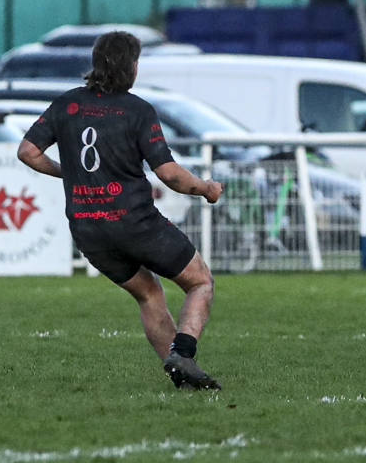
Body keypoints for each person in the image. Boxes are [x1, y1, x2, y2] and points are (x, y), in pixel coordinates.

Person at [17, 31, 224, 389]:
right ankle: (184, 352)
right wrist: (206, 189)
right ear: (131, 66)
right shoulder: (137, 110)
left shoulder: (66, 105)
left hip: (87, 228)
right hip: (134, 222)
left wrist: (68, 171)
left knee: (148, 293)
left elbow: (27, 152)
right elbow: (169, 174)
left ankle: (181, 376)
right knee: (199, 281)